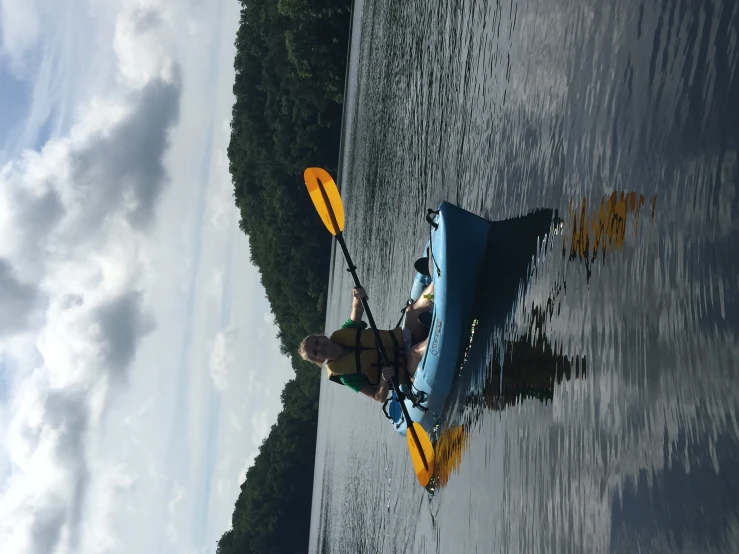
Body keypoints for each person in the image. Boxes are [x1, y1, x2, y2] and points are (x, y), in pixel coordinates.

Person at [298, 284, 435, 402]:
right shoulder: (346, 376)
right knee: (416, 352)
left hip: (403, 340)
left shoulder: (343, 333)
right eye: (315, 352)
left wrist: (358, 296)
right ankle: (441, 333)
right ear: (319, 360)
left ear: (322, 337)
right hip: (406, 368)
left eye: (317, 342)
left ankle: (438, 284)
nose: (320, 347)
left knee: (411, 311)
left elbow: (357, 310)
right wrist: (383, 379)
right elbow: (378, 397)